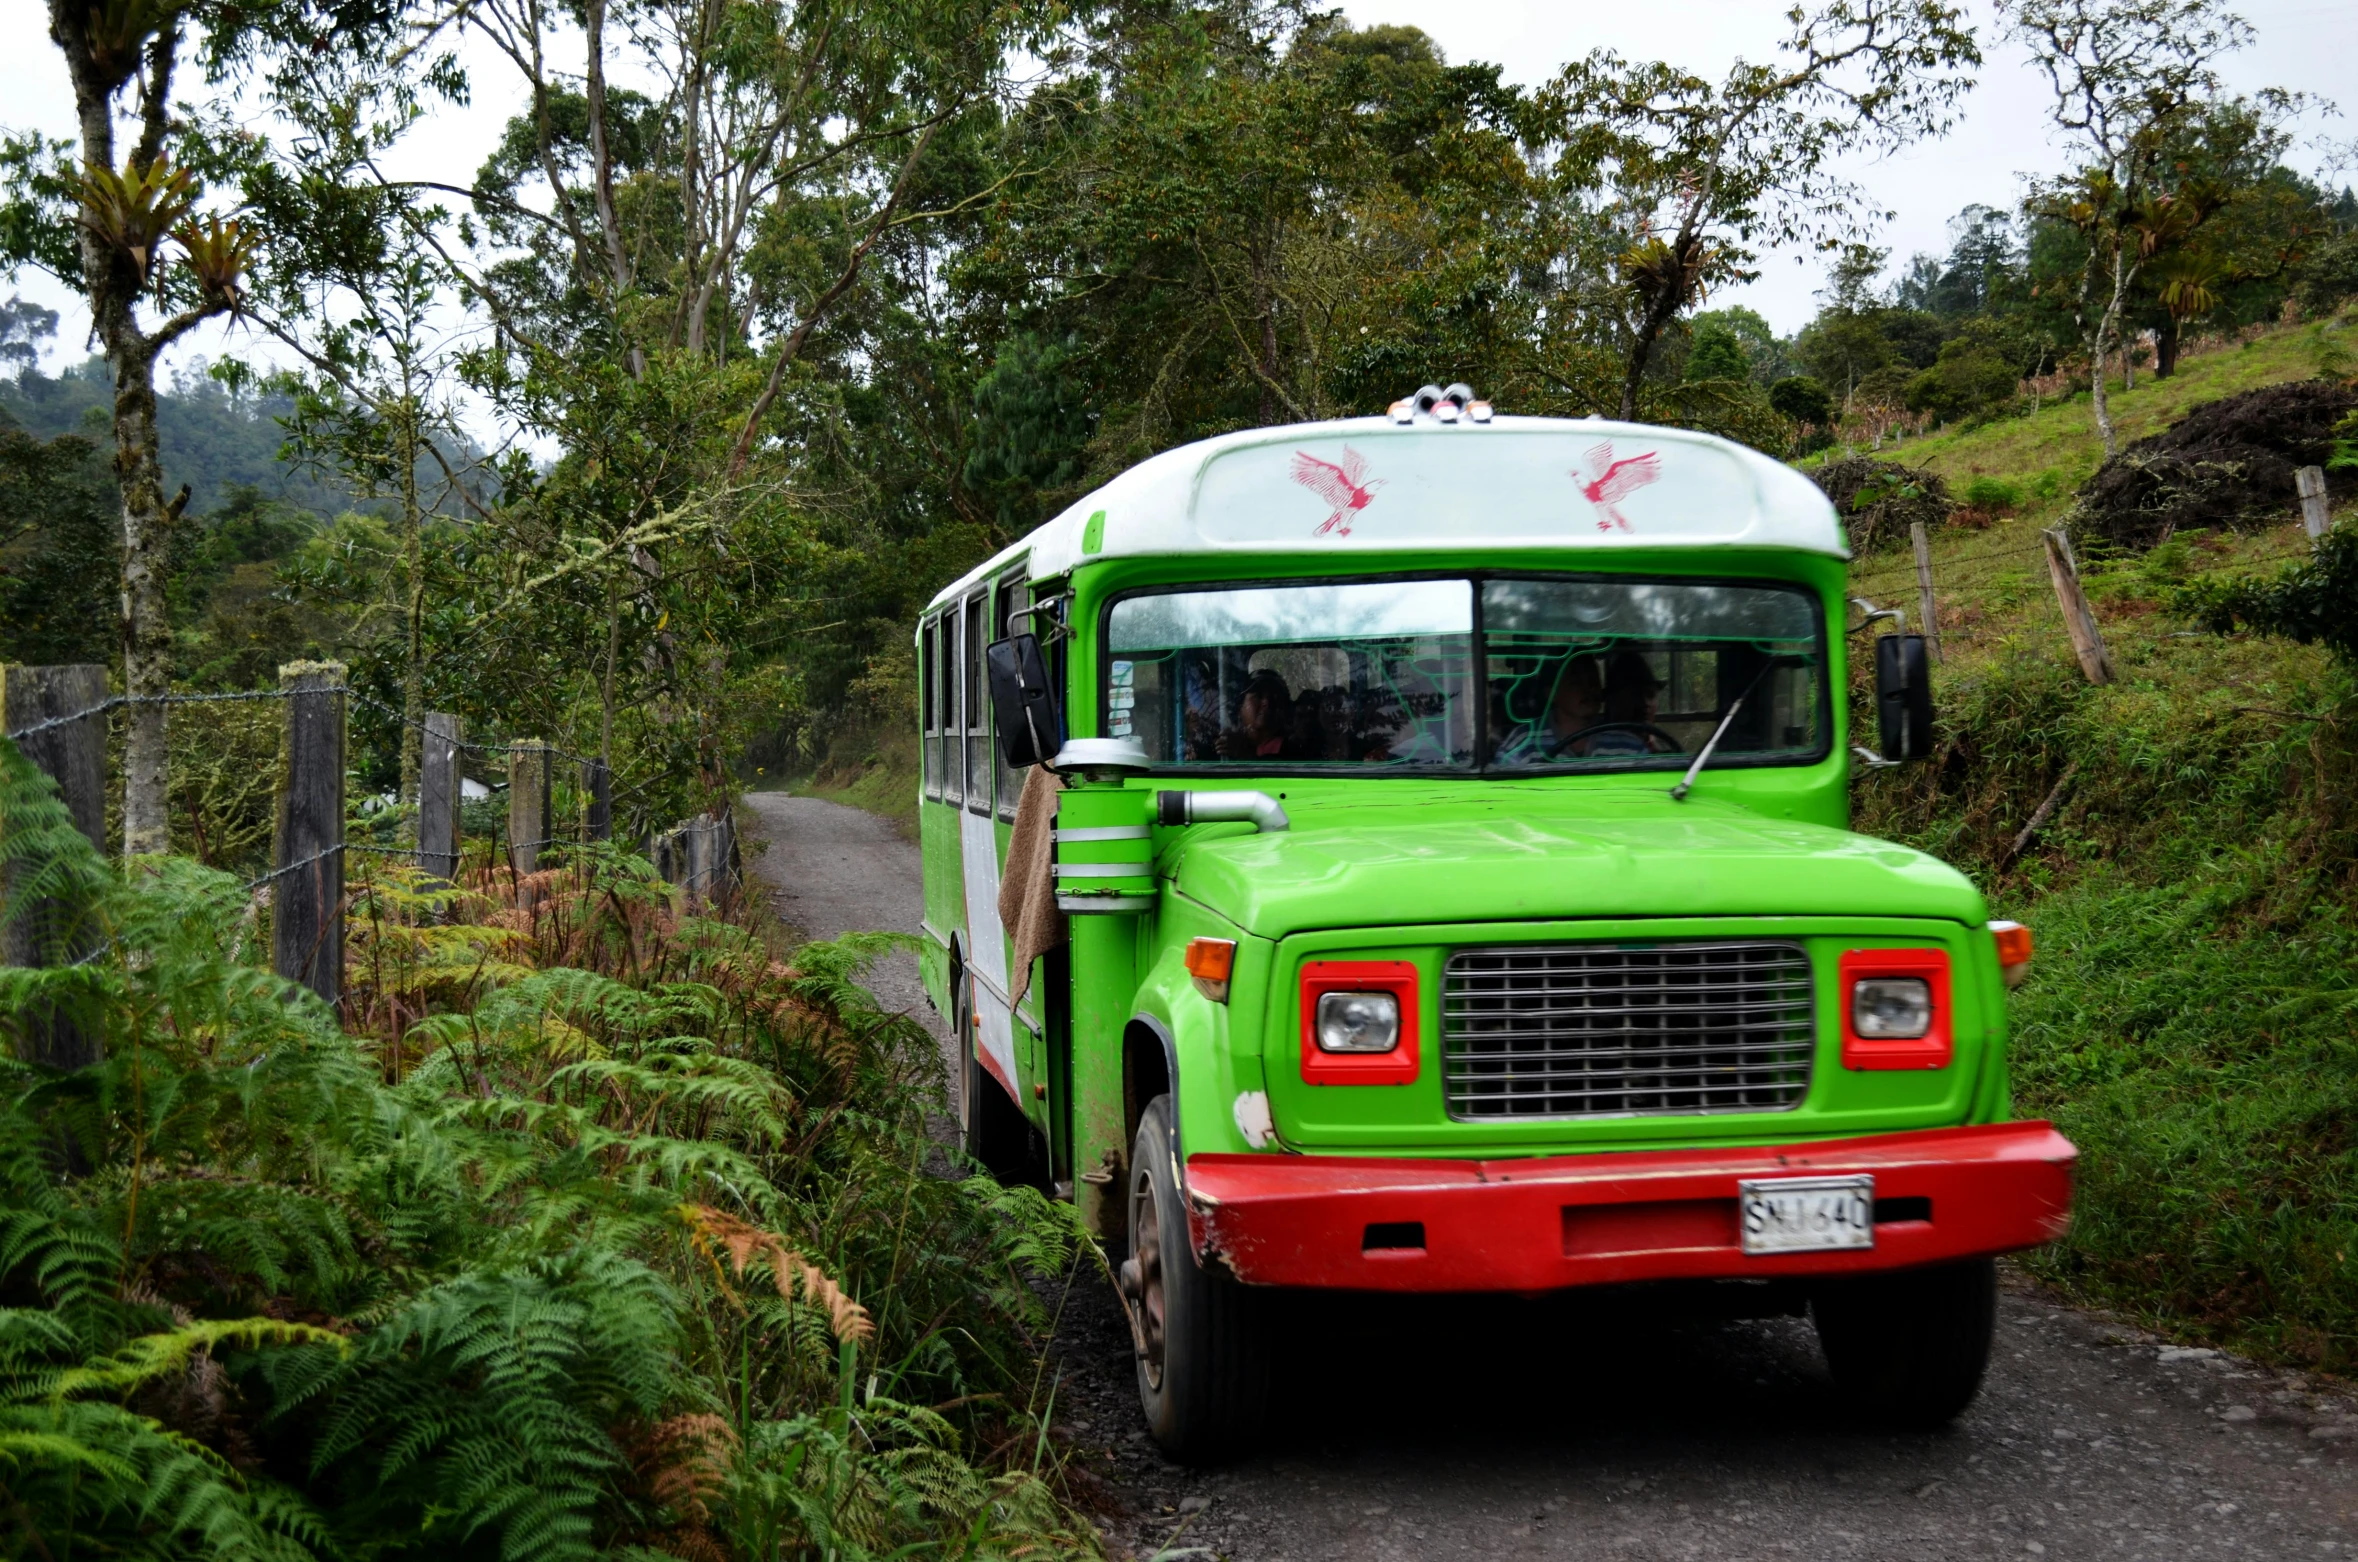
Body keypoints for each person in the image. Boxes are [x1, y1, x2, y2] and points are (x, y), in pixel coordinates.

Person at [1216, 669, 1295, 759]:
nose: (1266, 702)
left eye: (1273, 697)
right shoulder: (1230, 742)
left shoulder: (1292, 750)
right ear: (1240, 707)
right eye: (1258, 696)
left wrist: (1243, 754)